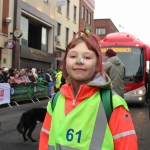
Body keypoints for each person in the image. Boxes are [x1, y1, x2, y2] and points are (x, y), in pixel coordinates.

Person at [39, 27, 138, 150]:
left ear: (97, 65)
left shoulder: (114, 104)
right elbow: (45, 141)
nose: (79, 61)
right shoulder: (55, 101)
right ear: (65, 63)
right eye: (73, 56)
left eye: (87, 57)